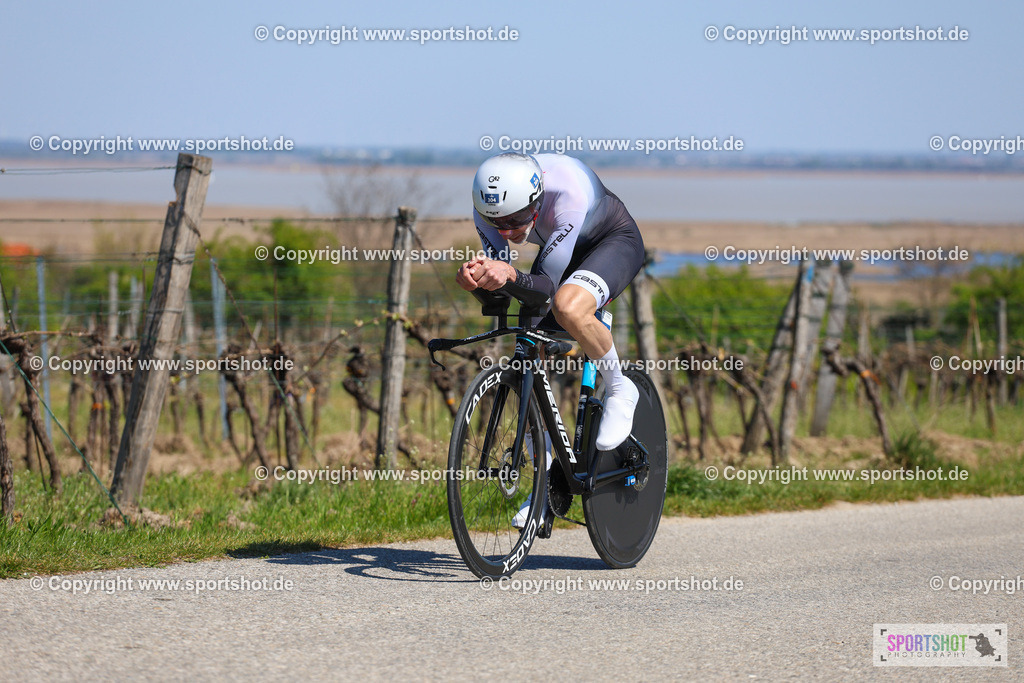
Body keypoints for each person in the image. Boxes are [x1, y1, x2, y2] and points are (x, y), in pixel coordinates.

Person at [456, 152, 646, 454]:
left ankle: (621, 388)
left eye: (516, 219)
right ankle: (543, 471)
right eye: (497, 223)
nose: (508, 232)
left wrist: (507, 273)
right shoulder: (489, 206)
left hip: (611, 242)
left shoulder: (566, 193)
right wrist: (477, 279)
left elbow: (546, 288)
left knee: (568, 306)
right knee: (529, 344)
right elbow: (505, 281)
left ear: (536, 200)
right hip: (560, 249)